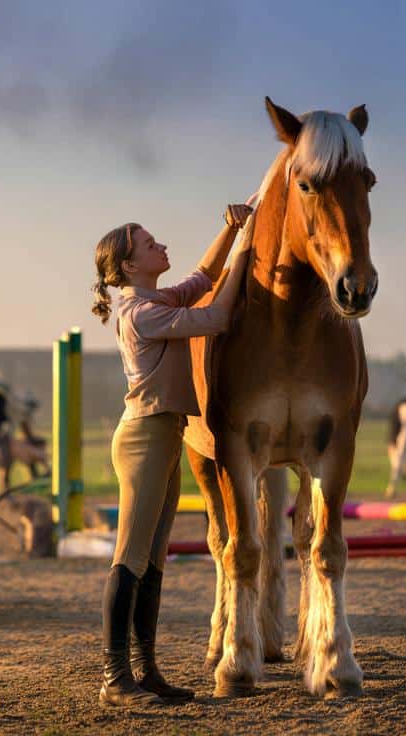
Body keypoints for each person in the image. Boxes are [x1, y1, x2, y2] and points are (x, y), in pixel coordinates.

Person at [89, 199, 255, 707]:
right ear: (128, 265)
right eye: (149, 244)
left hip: (167, 434)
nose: (160, 245)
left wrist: (231, 229)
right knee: (130, 557)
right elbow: (218, 315)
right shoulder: (141, 312)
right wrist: (246, 249)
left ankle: (146, 671)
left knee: (153, 559)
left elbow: (202, 278)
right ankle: (116, 679)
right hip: (145, 438)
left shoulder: (155, 300)